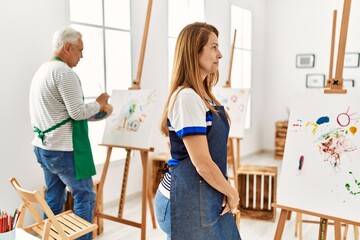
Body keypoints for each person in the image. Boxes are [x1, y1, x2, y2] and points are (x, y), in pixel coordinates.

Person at [154, 22, 241, 240]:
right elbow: (202, 163)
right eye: (213, 47)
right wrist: (231, 192)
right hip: (185, 198)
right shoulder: (187, 98)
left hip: (204, 192)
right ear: (195, 51)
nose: (219, 55)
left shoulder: (204, 95)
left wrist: (224, 189)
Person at [29, 26, 109, 240]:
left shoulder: (42, 71)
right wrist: (99, 104)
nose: (82, 56)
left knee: (54, 198)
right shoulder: (65, 73)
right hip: (63, 150)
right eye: (80, 50)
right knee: (85, 195)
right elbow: (77, 112)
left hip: (43, 147)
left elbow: (60, 113)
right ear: (67, 47)